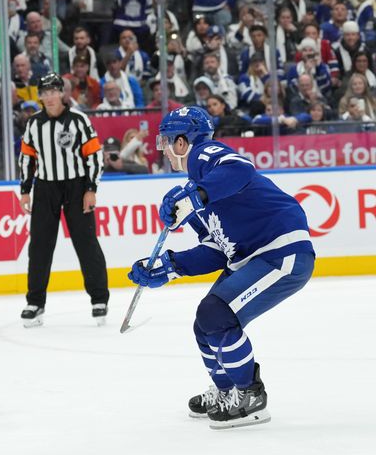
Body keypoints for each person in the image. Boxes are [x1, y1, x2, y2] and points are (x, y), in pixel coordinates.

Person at [128, 106, 315, 429]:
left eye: (166, 142)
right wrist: (169, 266)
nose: (164, 151)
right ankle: (227, 389)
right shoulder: (196, 188)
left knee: (217, 314)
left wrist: (197, 193)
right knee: (205, 323)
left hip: (281, 250)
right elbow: (216, 250)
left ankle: (250, 395)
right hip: (253, 256)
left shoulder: (203, 156)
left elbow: (240, 169)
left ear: (183, 142)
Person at [18, 73, 109, 327]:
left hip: (77, 186)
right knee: (39, 246)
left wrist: (91, 188)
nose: (48, 97)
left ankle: (99, 299)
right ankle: (35, 303)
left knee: (86, 241)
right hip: (45, 188)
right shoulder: (34, 124)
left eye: (52, 91)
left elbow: (94, 156)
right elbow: (27, 158)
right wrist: (25, 190)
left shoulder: (79, 120)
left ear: (62, 93)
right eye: (43, 92)